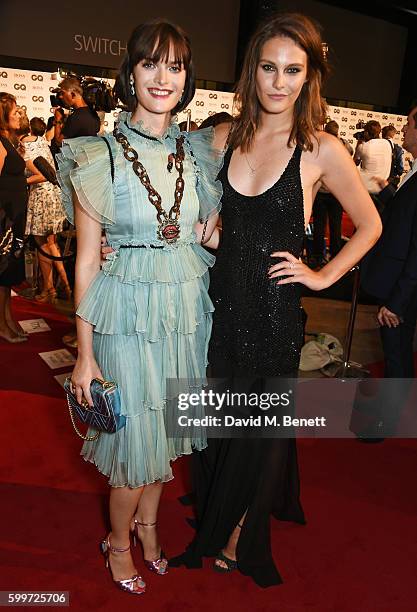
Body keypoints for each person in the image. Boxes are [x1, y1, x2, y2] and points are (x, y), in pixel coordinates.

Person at [170, 13, 381, 587]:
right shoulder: (221, 138)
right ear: (252, 72)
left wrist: (320, 275)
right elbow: (200, 214)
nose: (279, 82)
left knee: (254, 433)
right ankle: (219, 506)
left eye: (293, 70)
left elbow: (369, 225)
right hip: (216, 309)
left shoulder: (321, 149)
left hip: (274, 316)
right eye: (268, 68)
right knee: (214, 427)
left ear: (309, 77)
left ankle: (239, 534)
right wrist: (207, 236)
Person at [56, 20, 223, 595]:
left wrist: (213, 231)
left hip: (184, 310)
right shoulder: (97, 154)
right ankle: (119, 542)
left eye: (175, 66)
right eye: (151, 63)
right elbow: (84, 261)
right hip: (124, 313)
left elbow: (213, 227)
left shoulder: (200, 150)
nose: (162, 77)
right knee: (134, 442)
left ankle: (150, 528)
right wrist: (84, 356)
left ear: (187, 78)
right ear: (130, 73)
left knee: (168, 433)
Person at [358, 106, 417, 440]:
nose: (404, 129)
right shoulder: (413, 170)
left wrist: (397, 301)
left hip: (402, 289)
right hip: (397, 283)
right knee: (396, 352)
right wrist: (388, 192)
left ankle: (388, 423)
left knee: (396, 353)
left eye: (409, 124)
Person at [0, 93, 44, 343]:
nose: (19, 114)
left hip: (14, 218)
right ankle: (2, 324)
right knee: (2, 274)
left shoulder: (10, 141)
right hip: (4, 220)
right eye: (15, 111)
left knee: (7, 276)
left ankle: (7, 319)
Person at [22, 117, 71, 302]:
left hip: (41, 197)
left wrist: (21, 182)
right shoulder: (43, 140)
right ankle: (64, 285)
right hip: (54, 195)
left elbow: (41, 175)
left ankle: (48, 289)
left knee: (42, 244)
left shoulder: (24, 144)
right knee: (51, 243)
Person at [312, 120, 352, 266]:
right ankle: (335, 254)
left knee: (319, 225)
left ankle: (317, 256)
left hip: (322, 192)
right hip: (336, 193)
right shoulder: (345, 146)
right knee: (336, 225)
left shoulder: (321, 144)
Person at [354, 120, 392, 197]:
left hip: (365, 190)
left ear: (367, 133)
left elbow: (355, 163)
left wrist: (359, 143)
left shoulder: (364, 147)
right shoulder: (387, 144)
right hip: (382, 189)